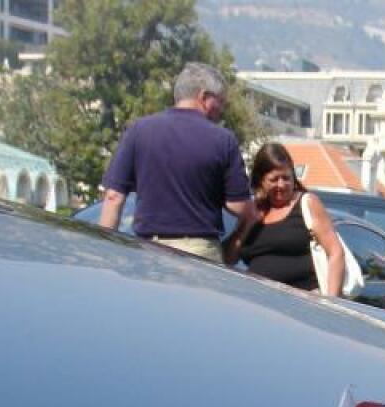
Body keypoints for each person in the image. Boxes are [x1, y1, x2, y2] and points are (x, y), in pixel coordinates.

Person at [98, 62, 255, 263]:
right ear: (204, 97)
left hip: (147, 251)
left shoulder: (139, 130)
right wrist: (253, 213)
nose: (221, 110)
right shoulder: (222, 139)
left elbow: (113, 197)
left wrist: (103, 250)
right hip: (199, 251)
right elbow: (238, 205)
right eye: (221, 102)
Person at [223, 142, 344, 296]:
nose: (281, 185)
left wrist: (330, 303)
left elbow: (335, 252)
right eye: (274, 179)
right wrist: (247, 224)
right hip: (256, 301)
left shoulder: (307, 203)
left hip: (302, 302)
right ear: (261, 180)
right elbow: (228, 259)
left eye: (286, 178)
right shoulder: (252, 210)